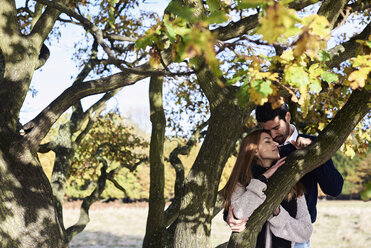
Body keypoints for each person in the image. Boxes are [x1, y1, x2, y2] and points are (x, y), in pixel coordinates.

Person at [226, 102, 344, 247]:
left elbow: (334, 188)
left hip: (295, 236)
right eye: (268, 130)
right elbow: (239, 189)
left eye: (276, 128)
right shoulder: (262, 151)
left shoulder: (313, 144)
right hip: (260, 235)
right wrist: (230, 217)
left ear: (287, 117)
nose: (273, 136)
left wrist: (313, 153)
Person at [222, 129, 313, 248]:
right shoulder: (242, 182)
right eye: (267, 141)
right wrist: (262, 179)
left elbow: (306, 232)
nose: (275, 144)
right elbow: (239, 213)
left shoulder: (291, 182)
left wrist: (278, 213)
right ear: (254, 150)